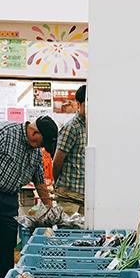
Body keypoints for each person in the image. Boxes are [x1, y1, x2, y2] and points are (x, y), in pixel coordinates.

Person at [0, 115, 57, 278]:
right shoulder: (6, 131)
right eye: (42, 142)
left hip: (9, 198)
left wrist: (52, 212)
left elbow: (40, 183)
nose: (41, 147)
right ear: (35, 132)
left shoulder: (36, 152)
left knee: (5, 247)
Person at [53, 84, 87, 215]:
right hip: (68, 198)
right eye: (87, 104)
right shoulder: (72, 127)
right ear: (78, 104)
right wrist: (58, 184)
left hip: (84, 198)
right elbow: (57, 162)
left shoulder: (91, 127)